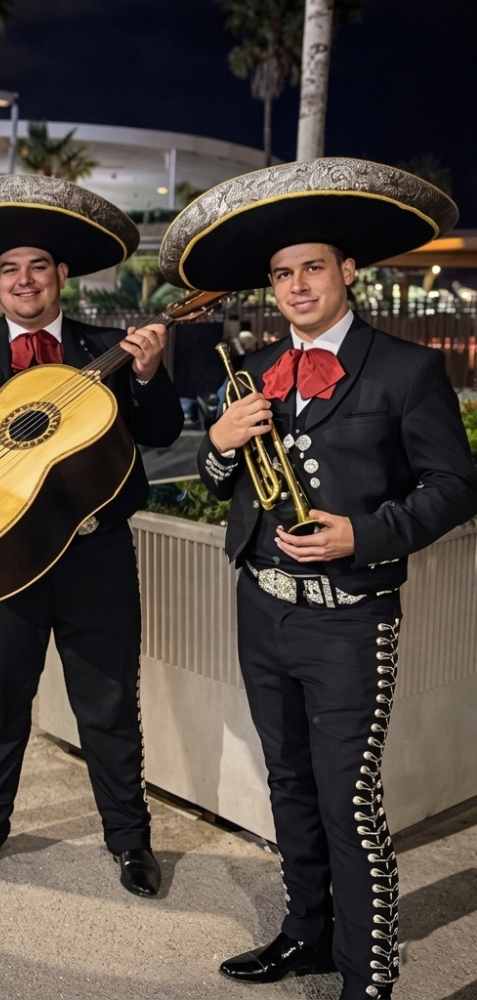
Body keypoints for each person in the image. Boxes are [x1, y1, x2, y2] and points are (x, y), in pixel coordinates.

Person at [159, 158, 477, 999]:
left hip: (351, 617)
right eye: (282, 273)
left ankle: (366, 972)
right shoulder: (257, 367)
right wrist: (219, 445)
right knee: (288, 781)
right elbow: (221, 487)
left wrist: (361, 533)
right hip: (261, 609)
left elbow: (456, 487)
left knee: (349, 800)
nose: (296, 285)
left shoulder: (405, 371)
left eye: (312, 268)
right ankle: (305, 933)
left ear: (347, 273)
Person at [0, 175, 184, 895]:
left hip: (95, 554)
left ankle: (129, 841)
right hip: (0, 560)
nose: (24, 281)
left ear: (61, 276)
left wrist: (148, 375)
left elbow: (159, 432)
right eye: (9, 270)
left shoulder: (110, 347)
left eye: (37, 266)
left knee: (111, 702)